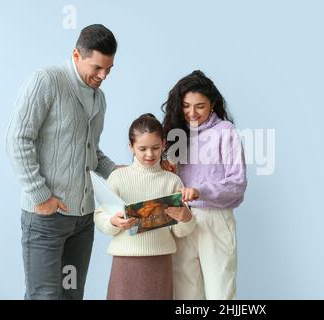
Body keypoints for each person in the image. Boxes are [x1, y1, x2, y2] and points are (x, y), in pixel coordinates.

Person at [6, 24, 120, 300]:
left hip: (82, 221)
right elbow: (18, 140)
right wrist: (40, 195)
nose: (103, 76)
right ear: (76, 55)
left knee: (72, 295)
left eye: (109, 69)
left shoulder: (99, 98)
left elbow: (90, 151)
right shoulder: (46, 81)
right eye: (97, 68)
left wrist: (118, 172)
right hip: (46, 218)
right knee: (44, 296)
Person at [161, 70, 247, 300]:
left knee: (220, 293)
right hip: (182, 219)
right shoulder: (175, 133)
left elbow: (237, 183)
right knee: (184, 294)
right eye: (186, 105)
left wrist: (200, 190)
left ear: (213, 104)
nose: (192, 112)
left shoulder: (225, 132)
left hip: (215, 219)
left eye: (200, 106)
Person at [93, 113, 196, 300]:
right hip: (125, 261)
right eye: (142, 149)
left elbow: (181, 231)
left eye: (156, 148)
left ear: (164, 144)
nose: (149, 154)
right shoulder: (118, 177)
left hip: (160, 261)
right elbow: (99, 216)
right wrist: (113, 222)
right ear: (131, 147)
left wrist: (186, 218)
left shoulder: (172, 181)